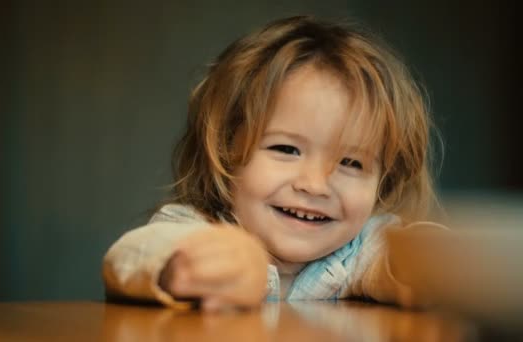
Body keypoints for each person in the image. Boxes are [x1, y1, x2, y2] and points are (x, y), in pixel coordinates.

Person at [102, 15, 445, 311]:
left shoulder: (360, 250)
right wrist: (187, 263)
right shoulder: (194, 227)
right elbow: (128, 259)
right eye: (286, 149)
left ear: (382, 182)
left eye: (351, 163)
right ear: (225, 150)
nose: (314, 184)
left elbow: (401, 259)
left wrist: (426, 267)